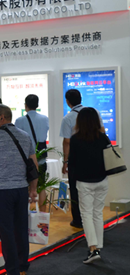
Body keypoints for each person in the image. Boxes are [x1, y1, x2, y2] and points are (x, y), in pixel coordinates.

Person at [0, 104, 38, 275]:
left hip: (2, 191)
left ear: (1, 118)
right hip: (21, 189)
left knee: (6, 232)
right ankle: (22, 268)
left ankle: (12, 274)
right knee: (21, 230)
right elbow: (34, 165)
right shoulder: (25, 135)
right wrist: (33, 189)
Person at [68, 108, 111, 264]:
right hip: (102, 180)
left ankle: (93, 248)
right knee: (97, 214)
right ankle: (97, 247)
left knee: (86, 214)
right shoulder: (103, 138)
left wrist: (72, 181)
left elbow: (72, 163)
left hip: (84, 182)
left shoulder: (75, 139)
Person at [16, 94, 50, 212]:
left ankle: (26, 214)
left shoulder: (19, 120)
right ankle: (43, 214)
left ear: (25, 105)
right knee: (42, 185)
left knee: (26, 185)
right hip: (41, 155)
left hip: (26, 156)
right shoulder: (45, 118)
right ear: (37, 105)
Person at [60, 89, 85, 228]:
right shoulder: (94, 113)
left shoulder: (68, 118)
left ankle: (78, 220)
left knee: (75, 190)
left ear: (68, 102)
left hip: (76, 158)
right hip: (93, 157)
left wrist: (65, 162)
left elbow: (67, 142)